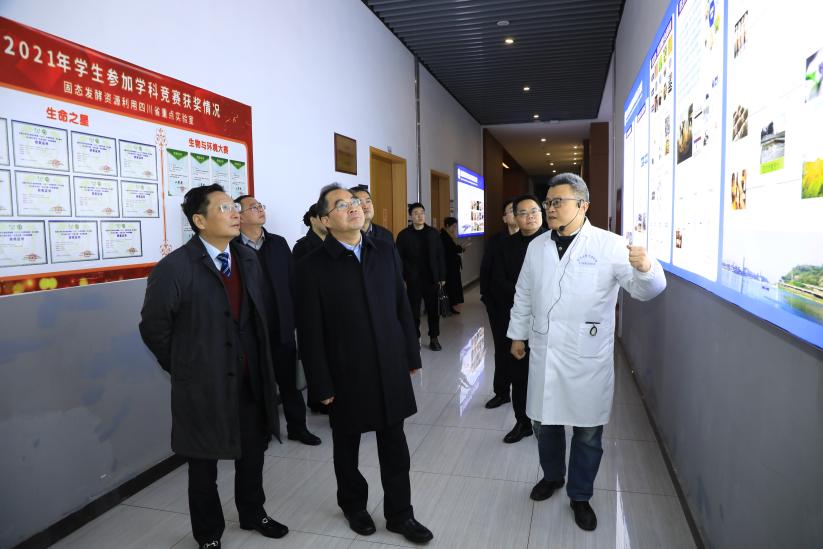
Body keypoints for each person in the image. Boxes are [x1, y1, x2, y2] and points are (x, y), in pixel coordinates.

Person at [507, 173, 667, 532]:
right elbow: (524, 293)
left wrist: (646, 268)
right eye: (548, 202)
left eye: (557, 202)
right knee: (544, 424)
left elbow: (646, 290)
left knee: (588, 432)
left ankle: (580, 495)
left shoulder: (610, 245)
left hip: (587, 356)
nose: (550, 209)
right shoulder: (537, 246)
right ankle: (552, 476)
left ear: (583, 205)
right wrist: (517, 334)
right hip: (546, 350)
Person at [139, 184, 288, 549]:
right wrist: (185, 367)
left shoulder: (247, 259)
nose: (235, 213)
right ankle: (208, 534)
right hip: (204, 386)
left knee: (253, 454)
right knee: (203, 464)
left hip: (249, 379)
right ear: (200, 220)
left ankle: (253, 512)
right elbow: (154, 328)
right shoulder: (174, 268)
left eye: (234, 206)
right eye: (223, 208)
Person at [295, 184, 433, 544]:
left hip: (388, 364)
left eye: (355, 201)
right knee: (347, 446)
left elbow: (402, 306)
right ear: (325, 220)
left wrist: (411, 353)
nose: (354, 207)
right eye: (342, 205)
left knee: (395, 444)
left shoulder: (384, 250)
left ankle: (401, 514)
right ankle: (353, 506)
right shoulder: (311, 267)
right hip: (345, 371)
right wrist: (320, 383)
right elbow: (309, 333)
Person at [235, 194, 321, 446]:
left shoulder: (278, 243)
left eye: (260, 206)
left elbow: (292, 282)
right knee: (258, 384)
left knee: (289, 383)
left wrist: (296, 319)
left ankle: (297, 428)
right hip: (251, 330)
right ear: (239, 216)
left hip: (281, 325)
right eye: (253, 207)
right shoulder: (233, 248)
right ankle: (263, 431)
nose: (260, 209)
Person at [488, 195, 547, 443]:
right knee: (519, 373)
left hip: (547, 321)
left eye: (534, 211)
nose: (529, 216)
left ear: (542, 213)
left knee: (545, 376)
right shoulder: (505, 245)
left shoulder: (552, 243)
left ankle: (546, 425)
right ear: (514, 217)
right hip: (515, 318)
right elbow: (497, 280)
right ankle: (522, 422)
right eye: (522, 212)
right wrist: (523, 298)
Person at [480, 199, 519, 409]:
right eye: (511, 211)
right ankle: (502, 392)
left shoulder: (535, 240)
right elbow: (486, 269)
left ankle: (526, 394)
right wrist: (486, 298)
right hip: (500, 306)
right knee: (502, 349)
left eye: (518, 210)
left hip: (526, 307)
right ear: (504, 218)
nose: (515, 213)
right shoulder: (496, 241)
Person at [395, 203, 446, 351]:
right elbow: (398, 259)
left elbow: (440, 256)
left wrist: (442, 276)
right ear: (411, 216)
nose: (420, 216)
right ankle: (414, 338)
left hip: (431, 279)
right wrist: (402, 278)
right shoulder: (404, 235)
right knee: (413, 311)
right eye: (416, 213)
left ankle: (434, 338)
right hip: (412, 280)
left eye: (422, 212)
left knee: (433, 310)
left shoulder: (433, 233)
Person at [439, 217, 465, 314]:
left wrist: (460, 248)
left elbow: (452, 249)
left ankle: (450, 306)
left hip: (451, 266)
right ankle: (448, 307)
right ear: (447, 226)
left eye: (455, 226)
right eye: (453, 226)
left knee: (452, 287)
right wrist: (460, 249)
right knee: (450, 287)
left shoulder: (447, 236)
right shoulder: (443, 237)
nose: (455, 228)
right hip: (448, 267)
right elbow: (449, 251)